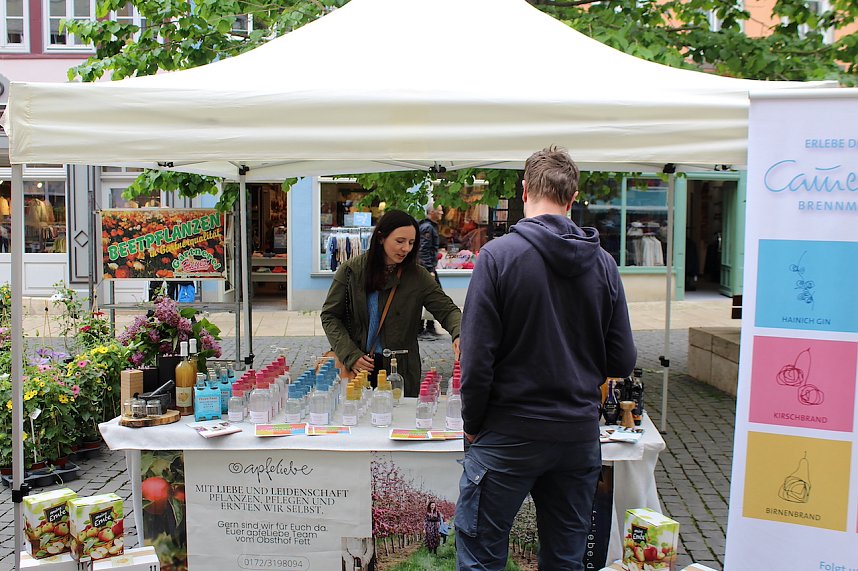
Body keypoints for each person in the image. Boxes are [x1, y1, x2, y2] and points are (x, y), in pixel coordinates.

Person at [455, 147, 636, 571]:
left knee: (482, 556)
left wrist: (472, 425)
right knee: (565, 559)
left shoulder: (498, 258)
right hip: (575, 434)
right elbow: (622, 359)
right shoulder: (605, 265)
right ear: (572, 199)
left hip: (508, 432)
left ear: (524, 192)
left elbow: (477, 360)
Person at [321, 209, 461, 396]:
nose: (406, 249)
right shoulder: (351, 271)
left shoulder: (418, 276)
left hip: (400, 370)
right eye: (400, 241)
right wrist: (350, 354)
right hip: (359, 367)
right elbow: (330, 316)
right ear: (381, 238)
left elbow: (448, 310)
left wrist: (459, 333)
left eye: (411, 243)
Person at [418, 204, 444, 339]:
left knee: (431, 296)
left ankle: (428, 325)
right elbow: (423, 250)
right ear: (432, 212)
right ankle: (423, 327)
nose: (442, 212)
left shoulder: (429, 226)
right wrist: (429, 270)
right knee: (428, 296)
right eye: (439, 210)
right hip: (428, 269)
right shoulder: (427, 228)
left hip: (429, 268)